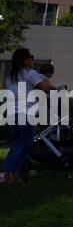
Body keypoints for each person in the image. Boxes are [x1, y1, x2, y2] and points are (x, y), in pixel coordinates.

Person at [4, 48, 53, 185]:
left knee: (15, 144)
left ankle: (7, 175)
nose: (32, 59)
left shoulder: (9, 76)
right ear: (25, 60)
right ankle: (13, 175)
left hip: (12, 113)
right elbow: (46, 88)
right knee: (24, 145)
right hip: (26, 113)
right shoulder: (30, 73)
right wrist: (46, 80)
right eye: (31, 56)